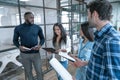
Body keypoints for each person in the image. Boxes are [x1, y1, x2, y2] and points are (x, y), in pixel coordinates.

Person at [86, 0, 120, 80]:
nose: (87, 18)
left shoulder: (111, 40)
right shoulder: (100, 35)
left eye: (88, 14)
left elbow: (115, 77)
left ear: (94, 14)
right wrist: (84, 63)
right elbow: (101, 62)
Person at [13, 12, 45, 80]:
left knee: (39, 71)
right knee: (28, 72)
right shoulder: (18, 28)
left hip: (36, 54)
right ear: (25, 18)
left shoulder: (37, 27)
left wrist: (39, 45)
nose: (33, 19)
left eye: (33, 17)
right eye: (31, 18)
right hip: (24, 55)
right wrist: (19, 46)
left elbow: (42, 38)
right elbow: (15, 40)